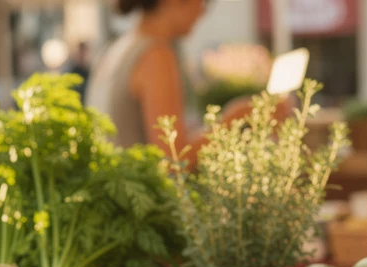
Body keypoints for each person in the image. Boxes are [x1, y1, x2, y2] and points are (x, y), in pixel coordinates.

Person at [86, 0, 278, 153]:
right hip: (145, 199)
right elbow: (174, 159)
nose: (203, 12)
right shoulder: (155, 54)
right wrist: (236, 119)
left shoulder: (118, 47)